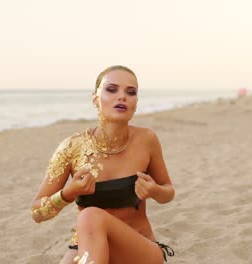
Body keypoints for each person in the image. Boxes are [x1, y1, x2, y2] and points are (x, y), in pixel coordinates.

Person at [30, 65, 175, 264]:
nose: (122, 97)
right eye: (112, 89)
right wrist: (68, 193)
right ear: (95, 99)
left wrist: (155, 191)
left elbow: (168, 191)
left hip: (139, 251)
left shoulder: (147, 140)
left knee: (90, 215)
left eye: (130, 92)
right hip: (89, 248)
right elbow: (37, 213)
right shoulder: (71, 147)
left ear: (136, 102)